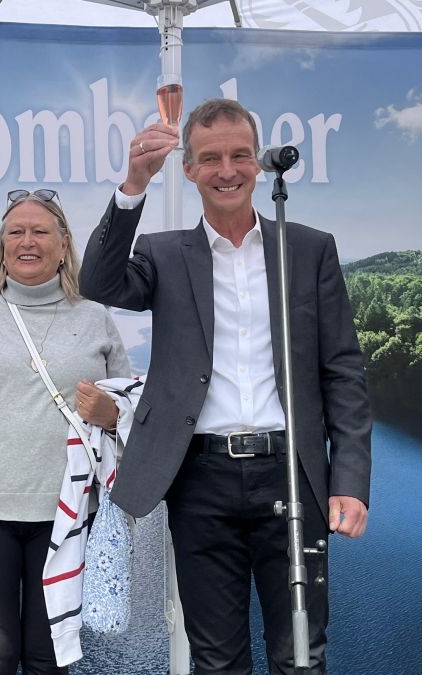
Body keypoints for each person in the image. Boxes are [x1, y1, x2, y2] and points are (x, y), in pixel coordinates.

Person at [78, 98, 371, 674]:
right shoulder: (164, 253)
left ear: (259, 164)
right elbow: (99, 279)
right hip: (201, 480)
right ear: (189, 169)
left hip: (292, 472)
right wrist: (133, 184)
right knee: (216, 660)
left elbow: (343, 370)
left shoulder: (309, 248)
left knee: (302, 655)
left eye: (240, 155)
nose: (228, 169)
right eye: (210, 158)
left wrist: (352, 480)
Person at [0, 189, 131, 674]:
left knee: (47, 658)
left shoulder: (95, 317)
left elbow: (131, 407)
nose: (26, 241)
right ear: (2, 244)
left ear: (63, 244)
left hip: (67, 513)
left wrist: (112, 414)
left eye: (39, 231)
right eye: (16, 232)